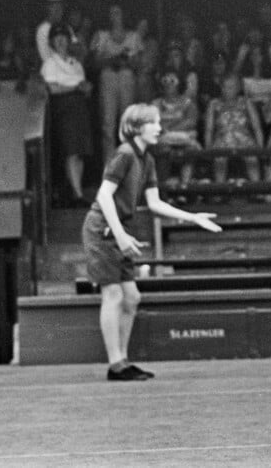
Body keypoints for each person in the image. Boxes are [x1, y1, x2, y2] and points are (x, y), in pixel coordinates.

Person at [82, 103, 222, 381]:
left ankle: (122, 360)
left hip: (118, 232)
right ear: (136, 127)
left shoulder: (146, 160)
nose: (160, 128)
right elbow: (103, 196)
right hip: (102, 231)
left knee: (132, 297)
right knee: (113, 295)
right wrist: (120, 234)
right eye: (154, 123)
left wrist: (192, 218)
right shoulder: (124, 155)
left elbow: (155, 202)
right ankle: (115, 364)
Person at [41, 27, 94, 205]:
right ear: (51, 43)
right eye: (56, 38)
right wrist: (75, 88)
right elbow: (53, 89)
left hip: (80, 108)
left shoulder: (76, 63)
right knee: (70, 151)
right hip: (63, 109)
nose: (61, 41)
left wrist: (85, 89)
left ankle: (76, 190)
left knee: (79, 152)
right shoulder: (50, 64)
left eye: (63, 37)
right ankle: (76, 193)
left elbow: (83, 86)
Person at [91, 4, 140, 164]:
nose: (115, 16)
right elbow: (95, 62)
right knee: (108, 126)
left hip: (126, 79)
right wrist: (113, 60)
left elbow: (138, 63)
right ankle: (109, 168)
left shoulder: (133, 36)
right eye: (112, 13)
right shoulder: (101, 35)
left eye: (118, 12)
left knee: (128, 125)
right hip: (108, 79)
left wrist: (125, 60)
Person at [203, 72, 264, 183]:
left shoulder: (246, 102)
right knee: (219, 157)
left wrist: (261, 146)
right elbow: (209, 128)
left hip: (244, 139)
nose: (228, 90)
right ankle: (219, 190)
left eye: (231, 87)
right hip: (222, 139)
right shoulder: (214, 104)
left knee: (251, 156)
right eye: (225, 87)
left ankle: (257, 187)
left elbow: (256, 126)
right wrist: (208, 147)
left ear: (238, 88)